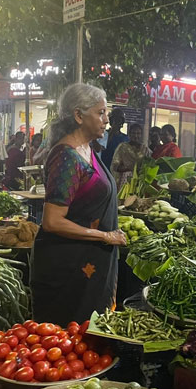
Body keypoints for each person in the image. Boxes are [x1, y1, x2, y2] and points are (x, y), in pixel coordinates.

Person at [31, 83, 127, 325]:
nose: (107, 120)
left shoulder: (87, 150)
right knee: (69, 337)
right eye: (100, 113)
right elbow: (52, 221)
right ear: (78, 116)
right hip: (69, 269)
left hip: (88, 264)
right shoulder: (66, 157)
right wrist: (104, 236)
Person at [110, 124, 151, 191]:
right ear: (129, 134)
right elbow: (115, 166)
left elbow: (149, 166)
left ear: (141, 135)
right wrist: (129, 169)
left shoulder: (145, 149)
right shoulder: (122, 147)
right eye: (133, 133)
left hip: (140, 181)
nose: (136, 136)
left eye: (138, 133)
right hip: (125, 180)